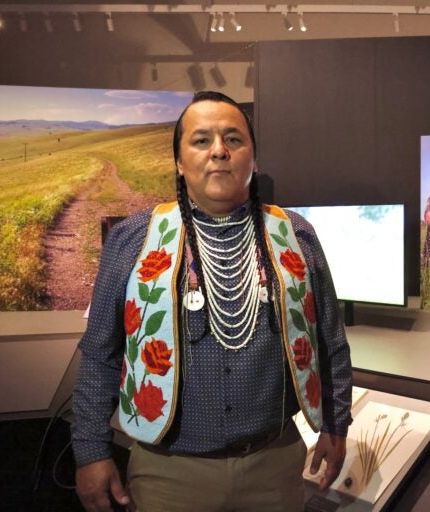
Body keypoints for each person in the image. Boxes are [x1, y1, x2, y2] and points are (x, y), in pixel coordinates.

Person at [71, 91, 352, 512]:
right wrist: (91, 451)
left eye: (233, 139)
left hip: (274, 469)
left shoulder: (296, 234)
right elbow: (100, 354)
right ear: (180, 162)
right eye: (202, 140)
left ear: (253, 158)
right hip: (167, 475)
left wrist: (336, 422)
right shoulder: (134, 238)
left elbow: (330, 340)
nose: (219, 151)